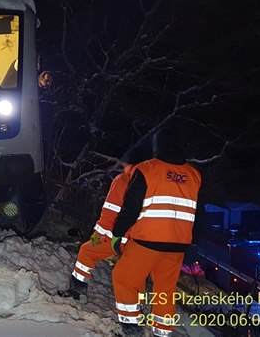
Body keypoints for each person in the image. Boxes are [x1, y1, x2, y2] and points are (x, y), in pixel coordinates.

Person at [110, 127, 202, 337]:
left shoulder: (146, 169)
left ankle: (131, 328)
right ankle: (162, 332)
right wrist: (193, 242)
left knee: (123, 278)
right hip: (178, 245)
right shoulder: (194, 175)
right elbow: (199, 213)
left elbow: (130, 208)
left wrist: (118, 233)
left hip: (147, 241)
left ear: (157, 146)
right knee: (165, 290)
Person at [58, 145, 150, 301]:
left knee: (86, 252)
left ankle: (77, 292)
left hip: (109, 236)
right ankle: (137, 307)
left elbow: (110, 211)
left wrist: (98, 235)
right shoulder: (151, 184)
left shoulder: (122, 180)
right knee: (136, 273)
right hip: (136, 241)